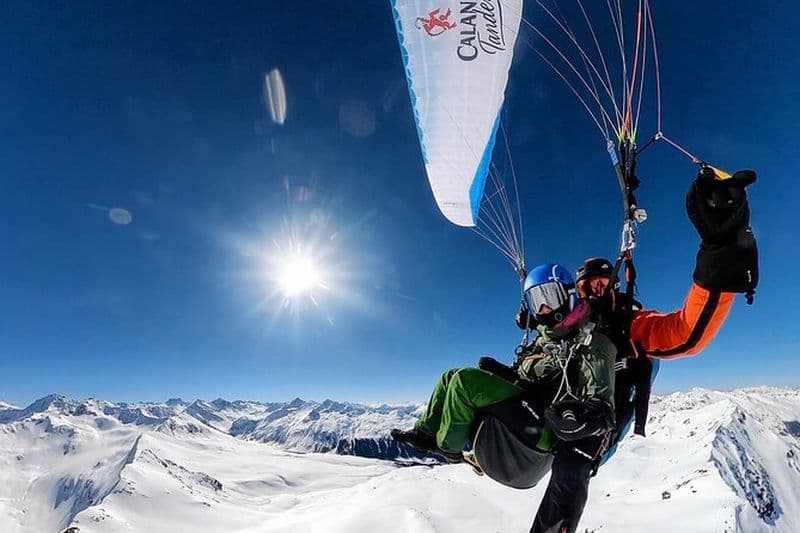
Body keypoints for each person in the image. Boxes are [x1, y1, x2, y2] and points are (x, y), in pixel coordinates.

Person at [517, 167, 759, 533]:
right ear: (574, 292)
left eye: (602, 283)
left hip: (599, 422)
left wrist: (719, 255)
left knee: (572, 463)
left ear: (613, 285)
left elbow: (685, 331)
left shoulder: (629, 324)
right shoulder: (563, 327)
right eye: (586, 286)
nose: (595, 291)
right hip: (554, 406)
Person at [391, 263, 618, 463]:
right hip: (523, 399)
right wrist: (503, 372)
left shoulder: (585, 338)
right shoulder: (542, 339)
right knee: (449, 375)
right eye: (536, 301)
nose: (542, 308)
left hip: (541, 416)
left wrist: (593, 415)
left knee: (464, 381)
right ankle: (425, 433)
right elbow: (527, 376)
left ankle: (449, 448)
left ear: (567, 295)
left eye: (548, 297)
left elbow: (596, 396)